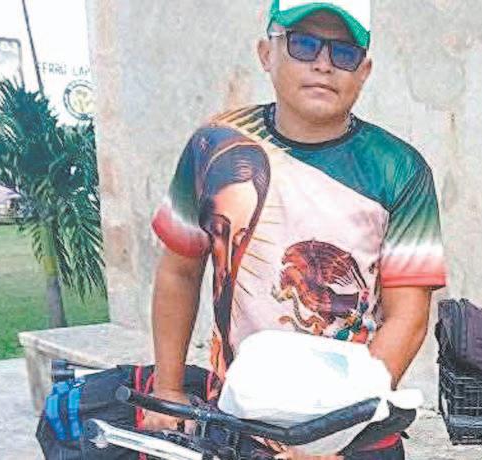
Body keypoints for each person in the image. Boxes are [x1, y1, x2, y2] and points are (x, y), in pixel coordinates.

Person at [144, 1, 447, 458]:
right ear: (267, 53)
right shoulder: (215, 145)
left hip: (355, 436)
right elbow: (179, 271)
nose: (324, 64)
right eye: (304, 44)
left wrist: (334, 433)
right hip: (238, 422)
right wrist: (167, 390)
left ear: (364, 71)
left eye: (344, 52)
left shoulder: (399, 170)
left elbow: (408, 316)